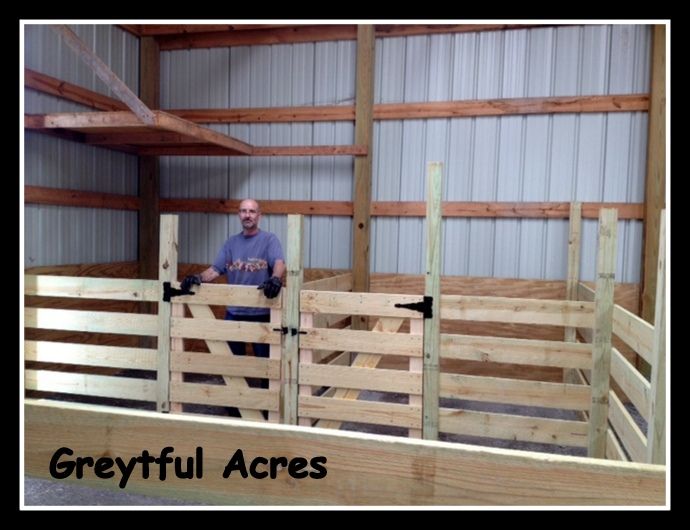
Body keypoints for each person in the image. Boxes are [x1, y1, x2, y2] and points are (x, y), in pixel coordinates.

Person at [181, 198, 285, 390]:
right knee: (233, 365)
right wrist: (198, 277)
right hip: (234, 313)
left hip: (261, 314)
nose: (247, 215)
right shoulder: (231, 243)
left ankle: (266, 407)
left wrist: (276, 278)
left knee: (266, 366)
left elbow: (279, 262)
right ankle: (235, 405)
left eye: (252, 211)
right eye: (244, 211)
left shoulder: (269, 240)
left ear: (259, 216)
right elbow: (215, 270)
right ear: (239, 215)